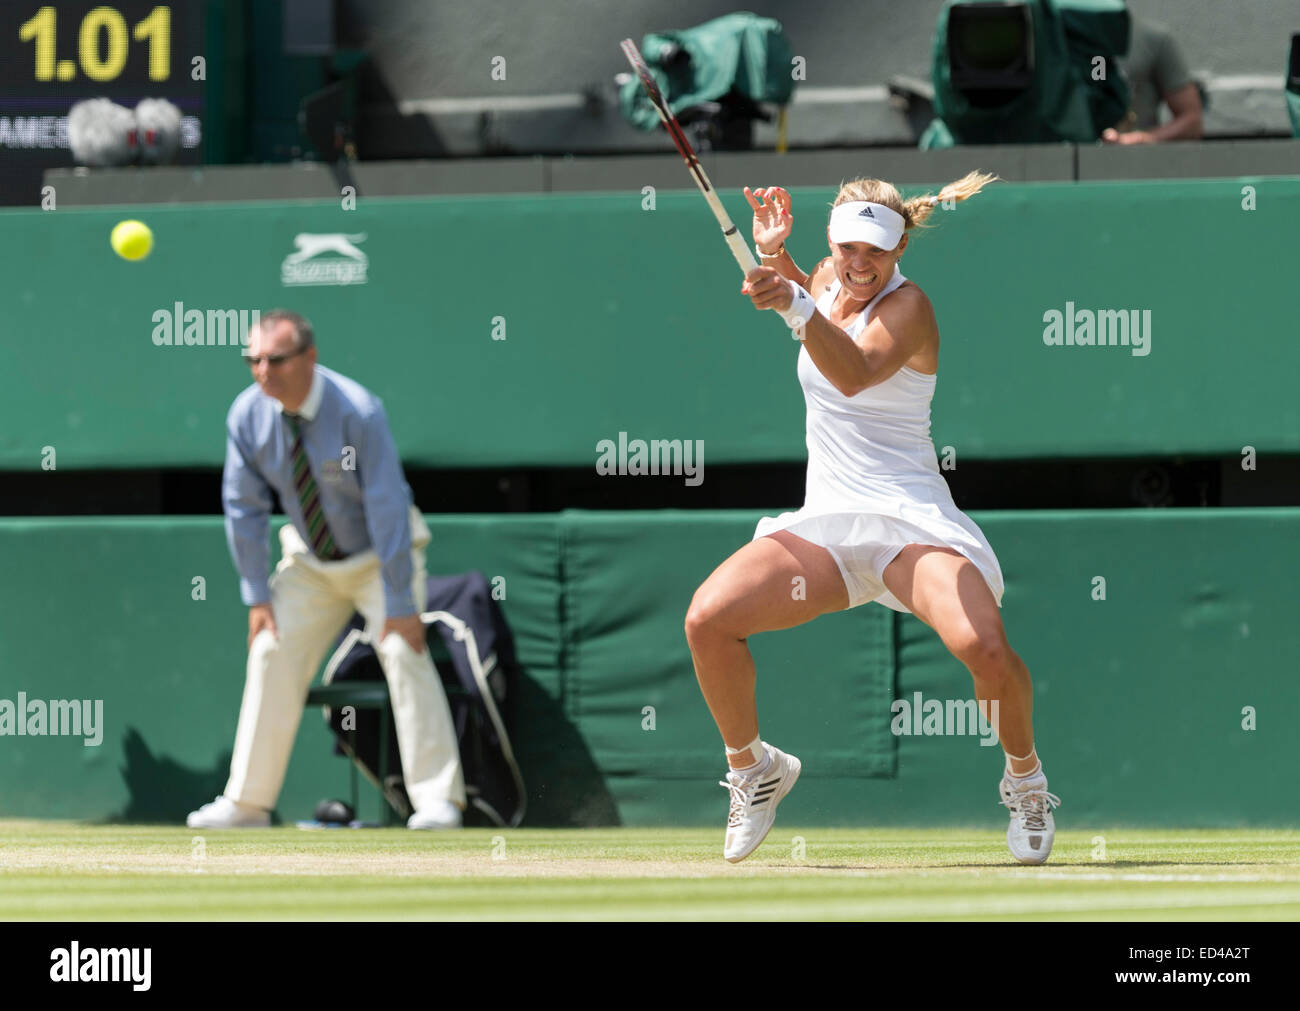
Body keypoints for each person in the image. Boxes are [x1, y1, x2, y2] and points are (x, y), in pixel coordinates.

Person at [684, 174, 1059, 864]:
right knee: (708, 619)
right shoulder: (825, 275)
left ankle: (1026, 780)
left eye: (876, 252)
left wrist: (793, 300)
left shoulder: (911, 306)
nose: (859, 264)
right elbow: (816, 299)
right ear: (832, 243)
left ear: (901, 245)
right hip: (827, 522)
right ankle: (753, 767)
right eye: (847, 248)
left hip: (909, 522)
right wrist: (779, 264)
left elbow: (852, 370)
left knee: (985, 648)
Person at [187, 310, 466, 830]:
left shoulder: (358, 411)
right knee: (270, 648)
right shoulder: (246, 416)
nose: (262, 371)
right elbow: (242, 508)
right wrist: (256, 595)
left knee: (404, 648)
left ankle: (436, 801)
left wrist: (401, 601)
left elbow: (387, 504)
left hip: (380, 559)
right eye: (253, 360)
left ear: (309, 357)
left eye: (275, 359)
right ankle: (248, 803)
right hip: (310, 563)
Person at [1102, 16, 1203, 145]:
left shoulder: (1152, 38)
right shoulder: (1070, 41)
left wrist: (1144, 138)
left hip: (1139, 159)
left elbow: (1191, 120)